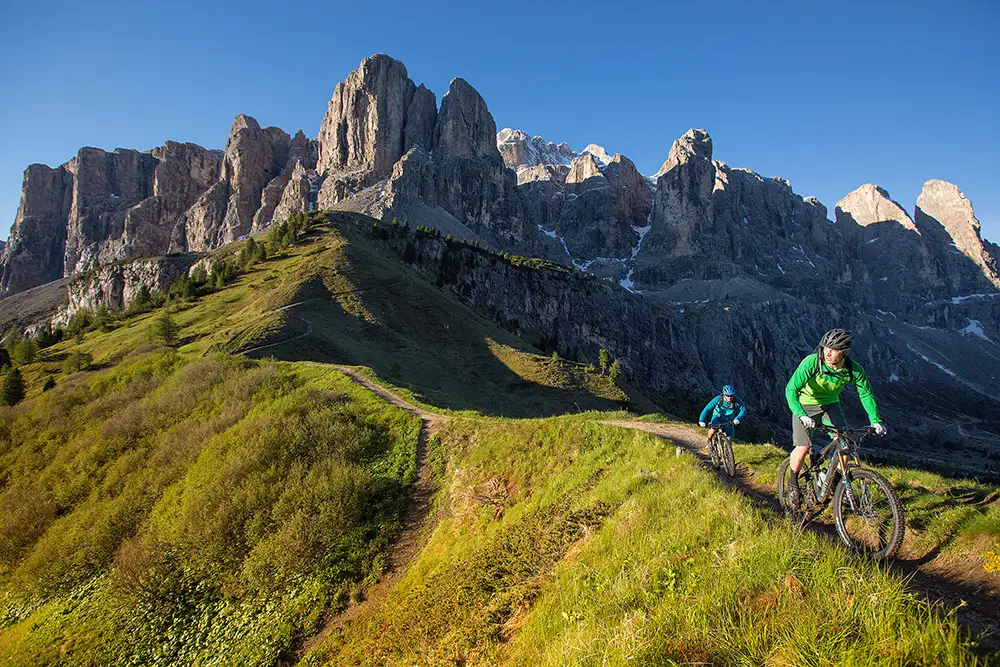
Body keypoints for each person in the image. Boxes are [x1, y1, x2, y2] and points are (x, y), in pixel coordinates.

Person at [784, 328, 886, 507]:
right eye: (825, 348)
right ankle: (792, 483)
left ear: (844, 352)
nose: (828, 352)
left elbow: (865, 394)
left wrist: (875, 420)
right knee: (803, 447)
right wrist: (801, 414)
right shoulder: (812, 362)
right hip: (806, 405)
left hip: (831, 405)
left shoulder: (853, 369)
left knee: (844, 445)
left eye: (834, 349)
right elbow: (791, 390)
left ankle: (836, 485)